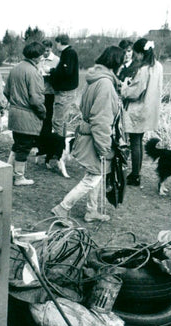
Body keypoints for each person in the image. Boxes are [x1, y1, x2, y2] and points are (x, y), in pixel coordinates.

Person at [51, 46, 125, 223]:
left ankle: (92, 211)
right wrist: (104, 148)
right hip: (95, 138)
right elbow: (101, 120)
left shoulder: (95, 79)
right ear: (117, 64)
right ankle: (63, 208)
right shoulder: (106, 85)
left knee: (96, 176)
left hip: (88, 134)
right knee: (92, 178)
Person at [120, 38, 163, 187]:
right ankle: (136, 173)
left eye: (135, 54)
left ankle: (135, 175)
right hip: (150, 108)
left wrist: (124, 88)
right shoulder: (158, 66)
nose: (134, 57)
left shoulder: (144, 69)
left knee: (135, 142)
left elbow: (135, 92)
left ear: (140, 53)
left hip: (138, 109)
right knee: (139, 141)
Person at [4, 41, 47, 186]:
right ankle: (19, 177)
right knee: (24, 147)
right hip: (27, 116)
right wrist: (43, 113)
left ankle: (6, 171)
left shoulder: (15, 68)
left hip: (14, 113)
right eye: (41, 56)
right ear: (36, 57)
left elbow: (6, 91)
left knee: (18, 144)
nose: (42, 59)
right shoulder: (33, 73)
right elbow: (36, 99)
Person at [46, 34, 79, 173]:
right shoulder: (68, 53)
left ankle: (59, 154)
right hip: (66, 92)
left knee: (58, 122)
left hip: (64, 93)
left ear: (60, 43)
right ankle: (61, 151)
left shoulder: (68, 54)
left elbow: (66, 72)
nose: (56, 47)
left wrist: (51, 72)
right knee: (62, 122)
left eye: (57, 43)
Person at [36, 39, 60, 167]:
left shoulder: (56, 60)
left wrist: (50, 73)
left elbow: (59, 76)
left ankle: (46, 148)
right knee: (38, 120)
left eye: (47, 50)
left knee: (47, 120)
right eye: (43, 51)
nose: (45, 53)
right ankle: (39, 147)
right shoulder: (39, 59)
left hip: (50, 93)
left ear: (51, 49)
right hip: (39, 93)